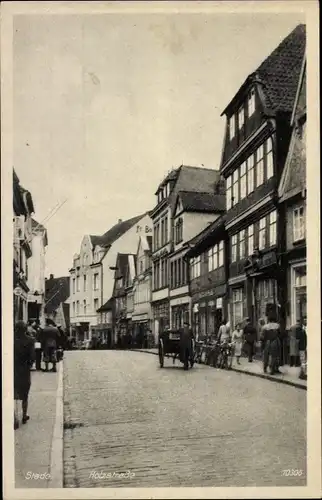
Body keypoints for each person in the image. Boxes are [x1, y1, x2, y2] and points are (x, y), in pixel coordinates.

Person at [14, 321, 35, 429]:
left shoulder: (9, 339)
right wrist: (30, 364)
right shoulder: (30, 340)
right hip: (24, 370)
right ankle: (24, 415)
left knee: (12, 393)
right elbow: (32, 357)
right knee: (25, 394)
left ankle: (13, 417)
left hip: (12, 370)